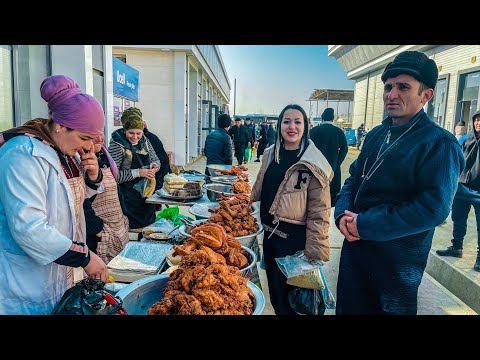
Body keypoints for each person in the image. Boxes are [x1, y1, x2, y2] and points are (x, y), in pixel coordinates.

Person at [334, 50, 465, 315]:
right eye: (388, 87)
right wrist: (341, 215)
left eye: (403, 87)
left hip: (395, 270)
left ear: (426, 95)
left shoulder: (439, 144)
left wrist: (365, 224)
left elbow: (433, 209)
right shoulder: (376, 135)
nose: (391, 95)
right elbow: (353, 179)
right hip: (354, 259)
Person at [0, 75, 110, 314]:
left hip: (58, 272)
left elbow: (69, 203)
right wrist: (85, 257)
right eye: (83, 138)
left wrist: (92, 178)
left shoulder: (62, 151)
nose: (86, 146)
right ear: (60, 125)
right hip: (24, 281)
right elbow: (29, 228)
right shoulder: (22, 154)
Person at [250, 104, 333, 315]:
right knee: (277, 296)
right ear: (279, 126)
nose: (292, 126)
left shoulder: (313, 162)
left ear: (306, 126)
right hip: (270, 238)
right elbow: (260, 188)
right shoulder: (270, 154)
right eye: (286, 121)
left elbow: (320, 211)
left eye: (298, 121)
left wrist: (314, 252)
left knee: (297, 304)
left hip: (295, 243)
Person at [437, 110, 480, 272]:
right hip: (461, 187)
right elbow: (457, 158)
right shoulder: (467, 138)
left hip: (479, 191)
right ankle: (456, 247)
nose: (478, 123)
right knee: (458, 219)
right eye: (476, 120)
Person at [83, 133, 130, 264]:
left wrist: (125, 218)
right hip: (100, 238)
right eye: (93, 134)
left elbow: (116, 190)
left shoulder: (104, 156)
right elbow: (80, 201)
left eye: (101, 132)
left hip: (118, 229)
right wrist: (96, 229)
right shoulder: (81, 161)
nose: (99, 138)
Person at [108, 113, 160, 230]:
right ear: (124, 130)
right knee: (132, 229)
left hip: (145, 195)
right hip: (127, 198)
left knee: (147, 228)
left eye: (138, 133)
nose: (135, 137)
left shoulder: (145, 141)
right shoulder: (117, 146)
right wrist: (138, 172)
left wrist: (155, 166)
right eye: (131, 133)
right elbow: (113, 176)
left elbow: (156, 159)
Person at [120, 107, 170, 191]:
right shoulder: (119, 142)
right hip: (130, 191)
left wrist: (155, 168)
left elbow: (161, 162)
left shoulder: (148, 139)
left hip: (148, 187)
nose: (135, 137)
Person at [309, 107, 348, 206]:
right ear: (333, 119)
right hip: (333, 167)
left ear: (322, 118)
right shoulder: (338, 132)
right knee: (331, 196)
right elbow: (345, 149)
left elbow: (307, 148)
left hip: (316, 166)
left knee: (315, 194)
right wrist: (338, 161)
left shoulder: (314, 131)